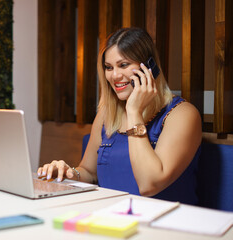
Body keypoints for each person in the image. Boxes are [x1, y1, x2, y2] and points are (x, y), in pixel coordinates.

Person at [37, 27, 202, 205]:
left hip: (163, 224)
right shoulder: (106, 114)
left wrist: (134, 112)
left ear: (149, 67)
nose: (114, 75)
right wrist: (68, 173)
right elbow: (89, 172)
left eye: (123, 65)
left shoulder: (182, 114)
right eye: (109, 67)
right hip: (111, 217)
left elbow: (149, 184)